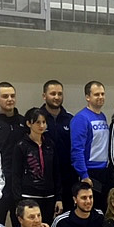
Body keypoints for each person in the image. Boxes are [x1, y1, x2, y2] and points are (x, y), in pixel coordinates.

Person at [12, 109, 63, 225]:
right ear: (29, 123)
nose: (41, 126)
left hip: (49, 196)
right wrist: (18, 201)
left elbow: (56, 172)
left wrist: (59, 198)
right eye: (38, 122)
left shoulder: (50, 144)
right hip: (29, 196)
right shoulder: (21, 146)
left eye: (44, 122)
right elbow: (16, 175)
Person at [0, 82, 26, 227]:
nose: (10, 99)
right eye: (5, 96)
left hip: (20, 183)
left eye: (12, 96)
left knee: (21, 226)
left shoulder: (24, 122)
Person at [71, 80, 110, 211]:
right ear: (88, 97)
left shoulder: (102, 116)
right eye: (96, 94)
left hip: (103, 170)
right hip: (89, 171)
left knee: (102, 210)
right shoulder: (81, 118)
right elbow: (77, 149)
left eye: (102, 94)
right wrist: (84, 175)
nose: (100, 97)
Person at [39, 79, 77, 211]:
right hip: (44, 177)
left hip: (67, 177)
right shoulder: (37, 119)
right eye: (53, 93)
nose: (57, 97)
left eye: (60, 94)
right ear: (44, 96)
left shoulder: (71, 119)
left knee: (67, 215)